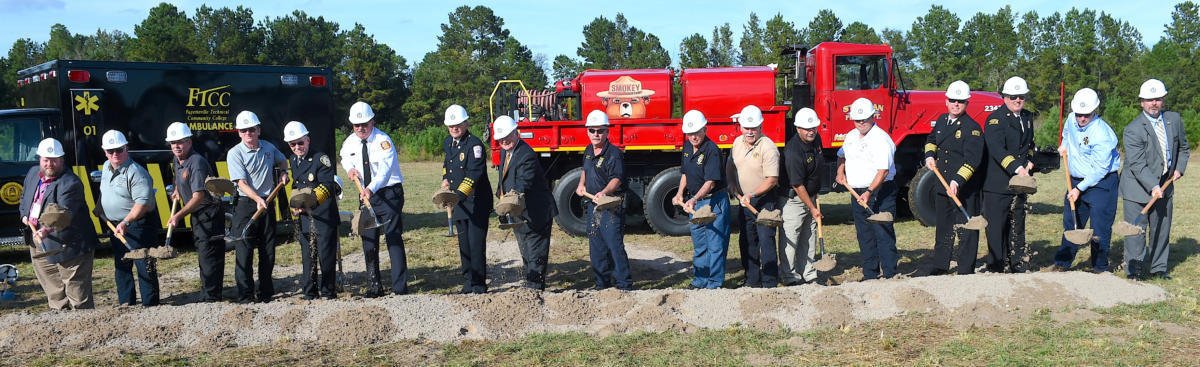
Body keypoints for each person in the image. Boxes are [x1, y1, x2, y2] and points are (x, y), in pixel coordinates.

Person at [1120, 79, 1189, 280]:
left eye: (1157, 99)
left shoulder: (1174, 120)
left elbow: (1184, 148)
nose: (1154, 103)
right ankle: (1135, 270)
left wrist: (1179, 169)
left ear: (1163, 100)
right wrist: (1153, 186)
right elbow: (1137, 164)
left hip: (1166, 184)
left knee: (1161, 228)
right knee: (1136, 231)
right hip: (1137, 187)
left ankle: (1159, 268)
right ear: (1141, 102)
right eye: (1149, 100)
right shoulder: (1133, 129)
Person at [19, 138, 99, 310]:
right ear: (39, 159)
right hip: (39, 244)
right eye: (46, 160)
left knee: (78, 298)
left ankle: (85, 330)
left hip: (71, 246)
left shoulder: (71, 183)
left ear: (62, 160)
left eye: (54, 160)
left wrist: (46, 230)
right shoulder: (33, 173)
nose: (50, 164)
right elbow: (24, 198)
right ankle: (61, 329)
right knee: (55, 295)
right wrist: (25, 216)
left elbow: (63, 213)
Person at [339, 101, 408, 296]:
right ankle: (374, 287)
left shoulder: (383, 141)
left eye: (365, 124)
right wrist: (349, 169)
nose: (361, 128)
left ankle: (400, 288)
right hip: (366, 196)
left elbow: (385, 171)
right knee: (368, 239)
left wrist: (371, 188)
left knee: (393, 237)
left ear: (372, 121)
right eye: (356, 125)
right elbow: (344, 156)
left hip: (389, 193)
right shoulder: (350, 141)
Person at [1049, 88, 1121, 273]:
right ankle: (1063, 262)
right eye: (1079, 114)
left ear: (1095, 111)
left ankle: (1099, 266)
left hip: (1102, 183)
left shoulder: (1103, 134)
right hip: (1075, 179)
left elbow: (1100, 169)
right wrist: (1063, 147)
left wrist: (1079, 188)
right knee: (1071, 222)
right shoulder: (1071, 120)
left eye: (1086, 115)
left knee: (1099, 227)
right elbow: (1066, 135)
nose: (1081, 119)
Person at [923, 81, 985, 276]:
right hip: (942, 185)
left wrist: (957, 181)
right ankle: (940, 265)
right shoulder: (942, 120)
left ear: (967, 103)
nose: (956, 104)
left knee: (966, 229)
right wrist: (929, 155)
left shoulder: (972, 128)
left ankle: (966, 269)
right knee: (943, 227)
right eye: (952, 100)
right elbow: (931, 140)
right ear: (946, 101)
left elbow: (973, 161)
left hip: (963, 188)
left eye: (960, 101)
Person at [227, 110, 289, 303]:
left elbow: (282, 160)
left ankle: (266, 292)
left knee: (268, 250)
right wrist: (257, 199)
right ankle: (245, 294)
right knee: (244, 251)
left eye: (252, 129)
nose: (248, 133)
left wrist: (284, 173)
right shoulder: (234, 153)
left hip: (267, 202)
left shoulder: (269, 147)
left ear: (258, 130)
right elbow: (241, 183)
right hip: (246, 205)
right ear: (238, 132)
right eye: (244, 130)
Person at [836, 98, 898, 281]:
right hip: (857, 191)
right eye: (857, 119)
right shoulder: (850, 136)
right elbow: (841, 156)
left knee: (882, 232)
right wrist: (840, 172)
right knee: (864, 234)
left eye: (864, 119)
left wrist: (869, 191)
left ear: (873, 116)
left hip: (880, 190)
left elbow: (883, 170)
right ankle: (870, 274)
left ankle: (890, 274)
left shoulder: (881, 139)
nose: (861, 123)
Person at [97, 130, 160, 306]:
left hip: (139, 225)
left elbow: (143, 204)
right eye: (111, 151)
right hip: (116, 226)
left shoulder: (137, 173)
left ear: (126, 148)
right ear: (105, 152)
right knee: (122, 266)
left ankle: (151, 305)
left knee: (144, 265)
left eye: (119, 149)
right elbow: (106, 191)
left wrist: (126, 222)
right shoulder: (106, 167)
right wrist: (100, 206)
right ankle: (126, 304)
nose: (115, 154)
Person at [494, 115, 556, 290]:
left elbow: (524, 182)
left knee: (536, 251)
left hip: (536, 212)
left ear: (516, 133)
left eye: (507, 136)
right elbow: (504, 177)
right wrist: (501, 195)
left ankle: (535, 288)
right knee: (525, 250)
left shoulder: (526, 154)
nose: (504, 140)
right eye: (500, 138)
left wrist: (509, 200)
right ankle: (531, 284)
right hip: (519, 211)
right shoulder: (504, 151)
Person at [981, 76, 1037, 273]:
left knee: (1017, 225)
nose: (1017, 100)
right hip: (998, 184)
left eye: (1021, 96)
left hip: (1019, 183)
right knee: (996, 229)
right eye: (1013, 96)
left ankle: (1018, 263)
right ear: (1004, 97)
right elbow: (997, 150)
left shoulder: (1028, 117)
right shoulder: (995, 119)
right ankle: (996, 266)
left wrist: (1030, 161)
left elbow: (1029, 145)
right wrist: (1017, 168)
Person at [165, 122, 225, 302]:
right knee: (202, 253)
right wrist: (177, 189)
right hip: (197, 214)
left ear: (189, 142)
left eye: (180, 142)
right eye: (173, 142)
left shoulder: (197, 162)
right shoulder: (177, 159)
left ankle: (212, 297)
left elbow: (198, 196)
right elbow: (180, 177)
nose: (176, 146)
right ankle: (207, 292)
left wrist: (177, 215)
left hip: (209, 213)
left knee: (210, 256)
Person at [673, 110, 731, 289]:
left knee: (715, 245)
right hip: (695, 202)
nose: (693, 136)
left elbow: (711, 182)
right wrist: (680, 193)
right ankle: (700, 280)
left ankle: (714, 283)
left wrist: (695, 199)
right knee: (699, 245)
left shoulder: (712, 150)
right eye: (690, 133)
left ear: (705, 129)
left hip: (713, 202)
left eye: (696, 132)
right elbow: (685, 173)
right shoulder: (687, 147)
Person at [575, 110, 633, 290]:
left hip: (611, 205)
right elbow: (585, 169)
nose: (596, 134)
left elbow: (617, 179)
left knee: (614, 245)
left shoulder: (613, 154)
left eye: (600, 130)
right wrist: (581, 184)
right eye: (592, 130)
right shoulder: (588, 150)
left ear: (607, 132)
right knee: (596, 245)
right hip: (594, 205)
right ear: (587, 131)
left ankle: (624, 284)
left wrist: (604, 192)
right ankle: (602, 283)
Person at [283, 121, 341, 299]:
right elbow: (297, 186)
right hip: (305, 217)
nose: (297, 147)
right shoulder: (293, 159)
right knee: (308, 256)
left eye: (300, 142)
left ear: (308, 140)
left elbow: (327, 186)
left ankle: (328, 292)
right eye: (293, 144)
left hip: (323, 215)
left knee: (325, 256)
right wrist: (295, 205)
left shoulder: (320, 158)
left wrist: (307, 203)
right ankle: (310, 292)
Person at [440, 105, 493, 294]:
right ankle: (469, 280)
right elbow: (448, 165)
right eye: (451, 125)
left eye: (458, 124)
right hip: (459, 203)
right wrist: (445, 179)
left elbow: (474, 174)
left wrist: (457, 195)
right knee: (464, 244)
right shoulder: (448, 142)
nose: (454, 128)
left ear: (466, 123)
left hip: (476, 202)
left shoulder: (475, 145)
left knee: (476, 244)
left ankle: (479, 284)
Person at [728, 105, 780, 288]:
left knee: (766, 240)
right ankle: (751, 280)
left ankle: (770, 281)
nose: (750, 132)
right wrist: (732, 184)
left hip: (764, 201)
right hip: (745, 201)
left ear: (761, 127)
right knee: (747, 240)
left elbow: (772, 180)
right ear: (740, 127)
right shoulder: (737, 143)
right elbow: (731, 165)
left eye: (754, 128)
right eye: (746, 128)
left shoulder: (769, 147)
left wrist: (751, 194)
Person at [779, 108, 824, 285]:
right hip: (793, 201)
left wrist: (815, 195)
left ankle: (809, 273)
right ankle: (789, 276)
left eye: (813, 127)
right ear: (798, 128)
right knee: (791, 238)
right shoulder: (793, 151)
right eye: (807, 128)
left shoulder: (816, 141)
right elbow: (797, 184)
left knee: (809, 236)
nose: (811, 130)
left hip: (811, 196)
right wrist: (812, 208)